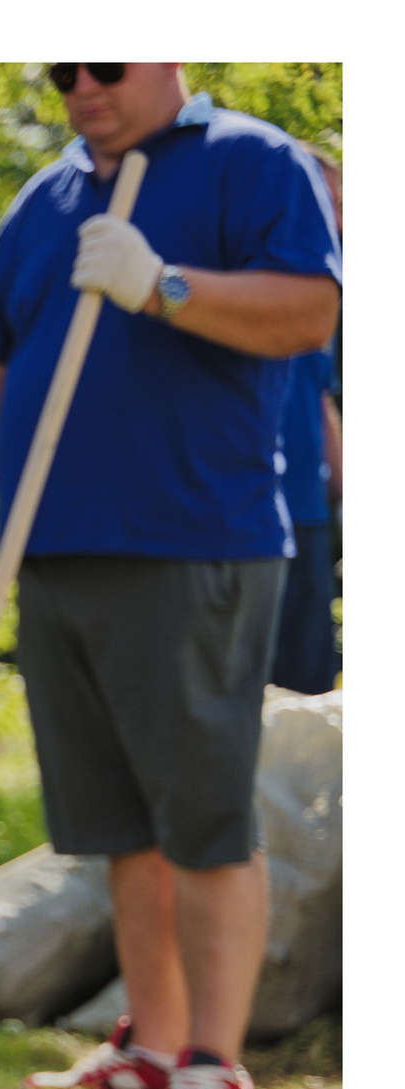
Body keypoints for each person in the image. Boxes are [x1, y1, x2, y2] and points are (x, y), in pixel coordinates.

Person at [0, 63, 340, 1089]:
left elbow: (307, 312)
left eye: (105, 64)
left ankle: (214, 1063)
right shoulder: (48, 195)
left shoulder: (253, 161)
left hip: (192, 545)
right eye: (62, 71)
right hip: (54, 549)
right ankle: (150, 1041)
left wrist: (164, 286)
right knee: (115, 828)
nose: (82, 88)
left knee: (200, 822)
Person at [271, 142, 342, 694]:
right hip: (241, 516)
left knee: (310, 687)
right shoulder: (249, 277)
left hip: (308, 512)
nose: (338, 217)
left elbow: (319, 401)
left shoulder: (327, 295)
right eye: (325, 201)